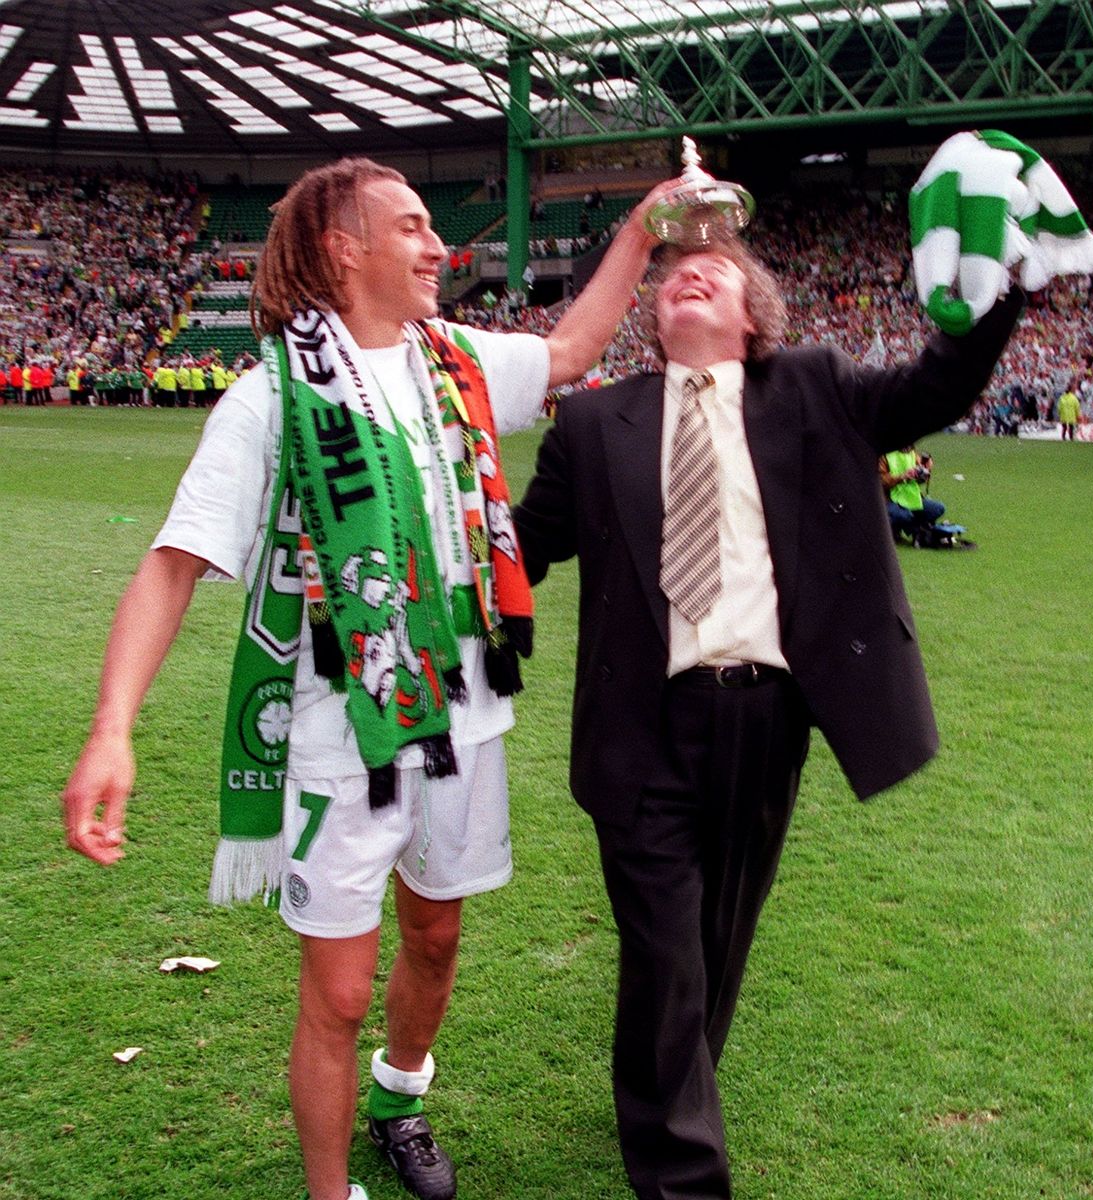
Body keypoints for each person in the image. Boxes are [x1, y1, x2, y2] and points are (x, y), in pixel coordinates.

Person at [61, 156, 678, 1200]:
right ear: (343, 248)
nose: (441, 248)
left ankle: (401, 1096)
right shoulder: (269, 399)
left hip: (463, 720)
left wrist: (644, 230)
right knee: (339, 992)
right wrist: (111, 727)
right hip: (340, 735)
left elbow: (573, 348)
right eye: (413, 227)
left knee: (436, 937)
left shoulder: (459, 361)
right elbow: (172, 565)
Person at [513, 236, 1024, 1200]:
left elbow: (935, 389)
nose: (690, 273)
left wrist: (994, 293)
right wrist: (439, 550)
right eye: (674, 272)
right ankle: (683, 1171)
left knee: (716, 938)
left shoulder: (815, 387)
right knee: (665, 950)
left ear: (755, 317)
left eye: (719, 270)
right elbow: (523, 547)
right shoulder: (593, 423)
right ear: (653, 315)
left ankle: (671, 1076)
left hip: (767, 718)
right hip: (642, 726)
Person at [880, 444, 946, 544]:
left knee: (938, 508)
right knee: (904, 515)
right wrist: (901, 477)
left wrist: (925, 471)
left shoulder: (912, 453)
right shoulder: (883, 455)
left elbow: (918, 479)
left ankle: (919, 531)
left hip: (910, 498)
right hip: (888, 500)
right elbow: (880, 481)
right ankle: (913, 531)